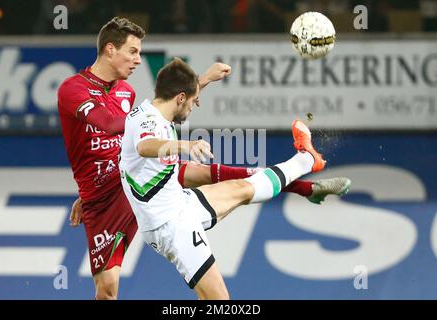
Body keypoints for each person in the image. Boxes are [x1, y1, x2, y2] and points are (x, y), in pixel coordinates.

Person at [58, 17, 350, 300]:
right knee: (107, 291)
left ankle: (306, 180)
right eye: (133, 52)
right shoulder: (73, 89)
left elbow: (163, 110)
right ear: (110, 49)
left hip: (134, 180)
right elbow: (112, 125)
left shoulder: (127, 91)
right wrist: (92, 190)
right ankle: (305, 169)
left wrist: (200, 82)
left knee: (227, 178)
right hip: (112, 197)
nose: (137, 60)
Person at [118, 58, 342, 299]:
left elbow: (179, 99)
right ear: (180, 98)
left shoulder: (156, 111)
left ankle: (307, 160)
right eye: (192, 101)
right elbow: (145, 146)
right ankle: (306, 160)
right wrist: (186, 144)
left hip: (179, 204)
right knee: (219, 300)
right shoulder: (147, 123)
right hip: (172, 226)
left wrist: (204, 80)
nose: (194, 107)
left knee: (242, 188)